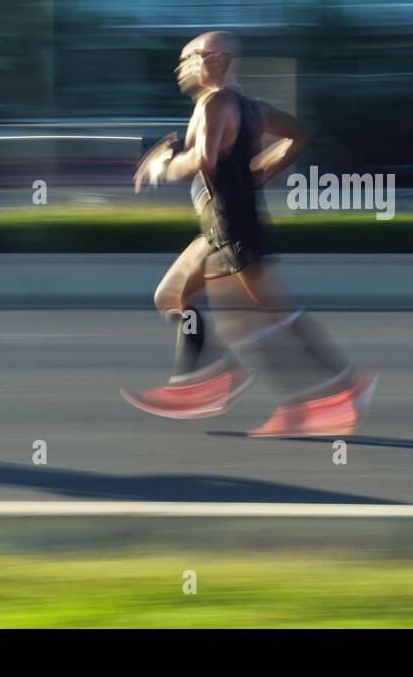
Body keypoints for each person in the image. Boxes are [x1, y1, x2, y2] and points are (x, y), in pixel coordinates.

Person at [121, 30, 377, 437]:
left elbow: (203, 158)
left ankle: (347, 386)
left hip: (233, 228)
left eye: (188, 58)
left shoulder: (214, 102)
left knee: (273, 319)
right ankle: (195, 384)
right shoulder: (254, 107)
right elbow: (299, 135)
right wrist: (262, 169)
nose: (181, 68)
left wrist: (161, 167)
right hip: (217, 228)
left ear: (213, 58)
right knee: (171, 296)